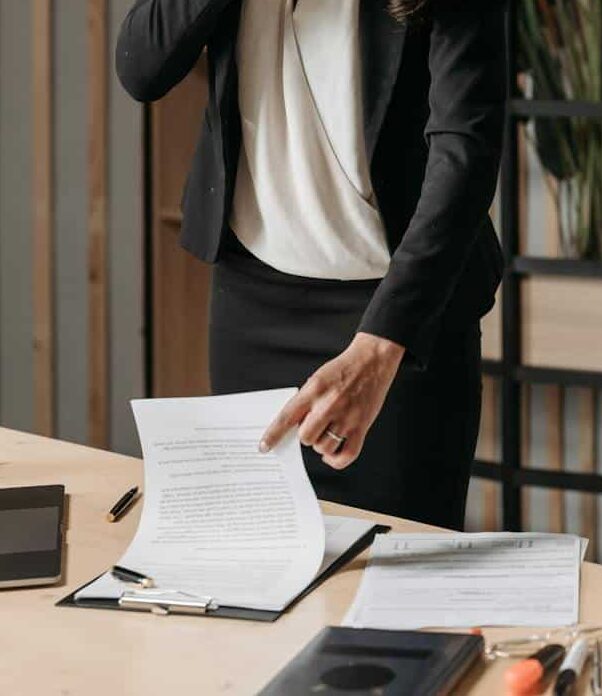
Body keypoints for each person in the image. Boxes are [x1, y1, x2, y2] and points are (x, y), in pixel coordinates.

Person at [115, 0, 507, 529]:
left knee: (398, 574)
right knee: (258, 563)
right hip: (252, 303)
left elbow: (466, 152)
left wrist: (380, 345)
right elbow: (142, 69)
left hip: (397, 318)